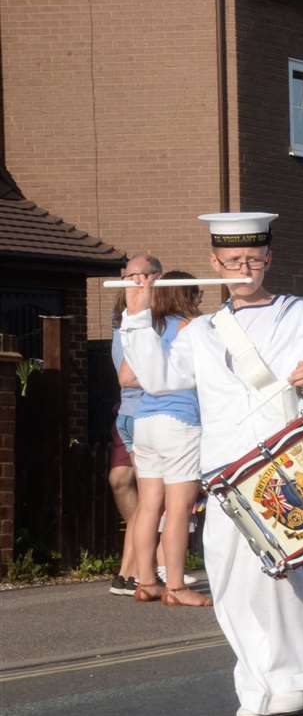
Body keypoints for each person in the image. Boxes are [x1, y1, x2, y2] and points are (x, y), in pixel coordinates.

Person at [119, 212, 303, 716]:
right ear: (215, 263)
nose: (243, 268)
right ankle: (254, 680)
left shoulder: (299, 315)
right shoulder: (203, 330)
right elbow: (159, 379)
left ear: (268, 259)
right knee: (227, 576)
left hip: (283, 466)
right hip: (225, 472)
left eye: (253, 259)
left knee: (275, 575)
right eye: (232, 261)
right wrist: (138, 314)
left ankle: (291, 677)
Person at [126, 274, 212, 608]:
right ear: (189, 296)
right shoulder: (193, 328)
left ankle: (146, 580)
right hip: (180, 422)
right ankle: (175, 586)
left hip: (144, 421)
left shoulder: (152, 329)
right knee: (178, 509)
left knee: (148, 505)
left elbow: (132, 375)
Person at [107, 254, 160, 596]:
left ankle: (133, 572)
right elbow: (129, 377)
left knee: (149, 498)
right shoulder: (131, 323)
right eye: (131, 276)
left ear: (157, 278)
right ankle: (133, 573)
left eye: (142, 276)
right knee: (149, 498)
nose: (136, 282)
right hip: (138, 413)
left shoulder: (154, 319)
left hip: (140, 413)